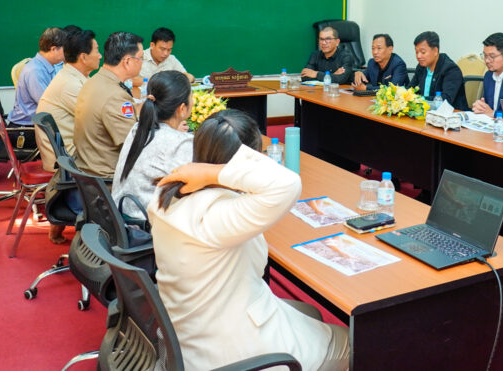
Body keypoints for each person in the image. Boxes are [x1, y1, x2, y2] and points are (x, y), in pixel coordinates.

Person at [151, 110, 350, 371]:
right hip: (230, 347)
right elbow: (288, 183)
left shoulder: (164, 196)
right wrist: (214, 173)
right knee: (351, 343)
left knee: (310, 314)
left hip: (190, 331)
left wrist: (209, 171)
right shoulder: (219, 214)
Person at [112, 71, 194, 216]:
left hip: (123, 214)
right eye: (191, 97)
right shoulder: (180, 142)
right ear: (182, 109)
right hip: (149, 222)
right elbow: (193, 186)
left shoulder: (137, 128)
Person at [73, 31, 144, 177]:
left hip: (89, 168)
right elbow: (134, 143)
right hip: (107, 176)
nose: (142, 63)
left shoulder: (95, 81)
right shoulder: (115, 96)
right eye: (141, 58)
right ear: (127, 61)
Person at [35, 29, 100, 171]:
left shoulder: (75, 76)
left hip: (73, 152)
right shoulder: (69, 84)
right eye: (97, 51)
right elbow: (99, 120)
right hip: (68, 160)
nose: (100, 56)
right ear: (83, 57)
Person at [8, 27, 67, 126]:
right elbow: (48, 105)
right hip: (27, 126)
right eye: (65, 50)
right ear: (53, 49)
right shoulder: (35, 70)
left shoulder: (48, 66)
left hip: (40, 122)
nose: (67, 54)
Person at [408, 31, 467, 110]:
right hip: (426, 112)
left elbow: (445, 100)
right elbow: (410, 89)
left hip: (451, 114)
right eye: (416, 52)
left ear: (435, 51)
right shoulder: (421, 67)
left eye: (423, 52)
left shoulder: (451, 69)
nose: (418, 56)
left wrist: (418, 99)